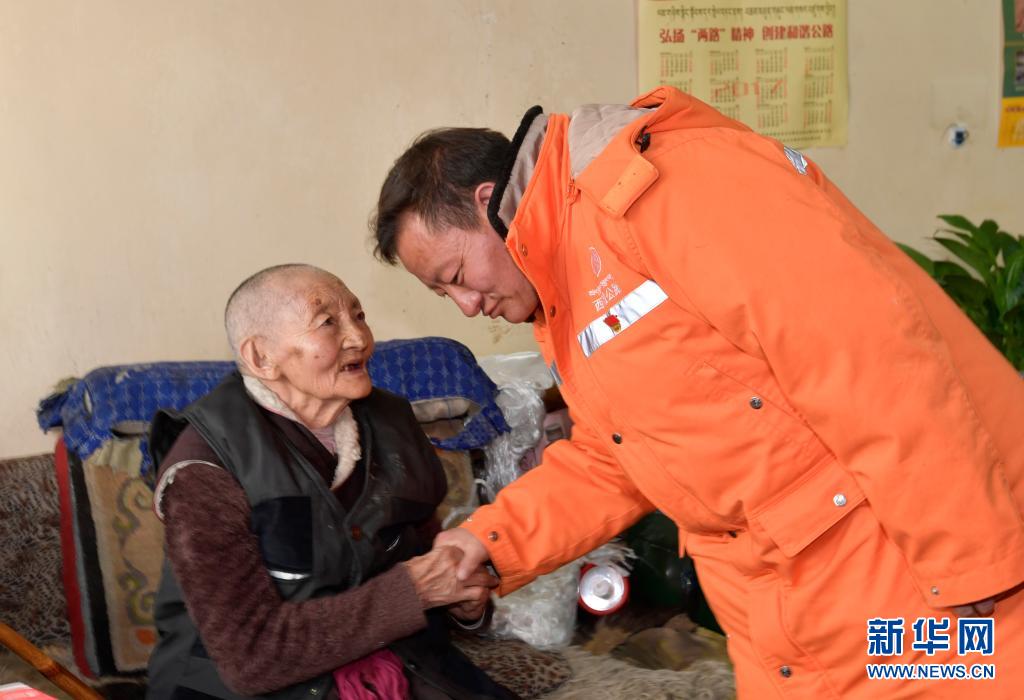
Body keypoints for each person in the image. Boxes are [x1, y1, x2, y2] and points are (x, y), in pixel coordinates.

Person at [371, 86, 1024, 698]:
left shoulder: (670, 185)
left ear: (489, 202)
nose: (466, 306)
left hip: (906, 585)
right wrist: (490, 544)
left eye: (456, 274)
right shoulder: (570, 283)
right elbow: (618, 455)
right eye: (444, 294)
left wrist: (966, 558)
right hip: (783, 615)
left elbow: (871, 361)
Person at [146, 264, 517, 700]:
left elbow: (425, 558)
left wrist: (462, 604)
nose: (359, 337)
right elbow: (251, 657)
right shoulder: (206, 467)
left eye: (358, 315)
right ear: (261, 357)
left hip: (394, 661)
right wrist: (412, 592)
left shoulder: (392, 423)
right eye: (327, 322)